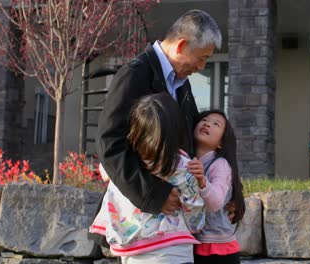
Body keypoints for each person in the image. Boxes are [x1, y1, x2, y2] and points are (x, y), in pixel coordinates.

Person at [96, 9, 222, 216]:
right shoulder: (134, 74)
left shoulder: (182, 84)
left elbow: (193, 140)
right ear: (181, 45)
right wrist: (153, 194)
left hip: (172, 221)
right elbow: (109, 143)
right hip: (133, 221)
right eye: (202, 58)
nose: (202, 67)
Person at [90, 93, 205, 264]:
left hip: (132, 253)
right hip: (174, 252)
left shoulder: (122, 166)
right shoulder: (182, 168)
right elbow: (195, 221)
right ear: (176, 131)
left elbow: (105, 170)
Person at [189, 110, 246, 264]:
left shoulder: (220, 165)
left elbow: (215, 203)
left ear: (221, 143)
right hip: (197, 243)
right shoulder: (187, 161)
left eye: (216, 124)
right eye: (205, 120)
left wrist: (202, 181)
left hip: (219, 249)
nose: (207, 124)